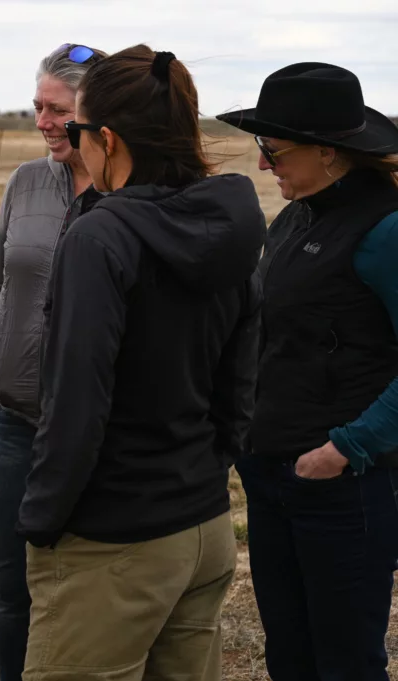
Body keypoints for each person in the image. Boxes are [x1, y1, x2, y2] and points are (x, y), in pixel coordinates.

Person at [16, 45, 265, 680]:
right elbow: (241, 374)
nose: (72, 143)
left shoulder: (100, 236)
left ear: (107, 139)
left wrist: (42, 517)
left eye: (76, 131)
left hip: (113, 540)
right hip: (203, 527)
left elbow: (78, 397)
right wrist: (210, 469)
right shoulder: (232, 221)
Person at [217, 63, 398, 681]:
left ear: (330, 152)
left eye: (274, 150)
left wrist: (349, 447)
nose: (264, 165)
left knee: (345, 662)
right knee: (290, 655)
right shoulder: (295, 216)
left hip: (344, 488)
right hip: (274, 475)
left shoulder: (386, 229)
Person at [0, 42, 106, 681]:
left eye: (58, 109)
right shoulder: (26, 182)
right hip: (19, 422)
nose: (44, 122)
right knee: (11, 587)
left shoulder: (129, 193)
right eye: (37, 107)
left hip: (101, 430)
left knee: (88, 587)